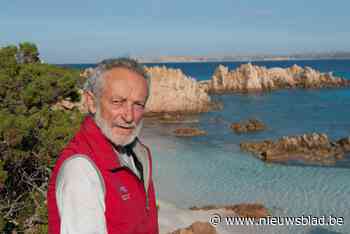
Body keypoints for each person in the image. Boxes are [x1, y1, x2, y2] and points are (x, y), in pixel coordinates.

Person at [47, 58, 159, 234]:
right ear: (92, 102)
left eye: (138, 104)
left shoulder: (138, 153)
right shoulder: (81, 170)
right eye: (117, 102)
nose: (129, 116)